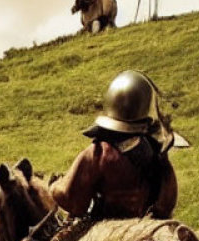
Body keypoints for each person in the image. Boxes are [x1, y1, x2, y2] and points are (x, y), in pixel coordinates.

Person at [50, 69, 181, 221]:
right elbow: (167, 205)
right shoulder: (158, 154)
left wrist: (54, 186)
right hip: (147, 226)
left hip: (106, 232)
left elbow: (73, 203)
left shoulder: (99, 152)